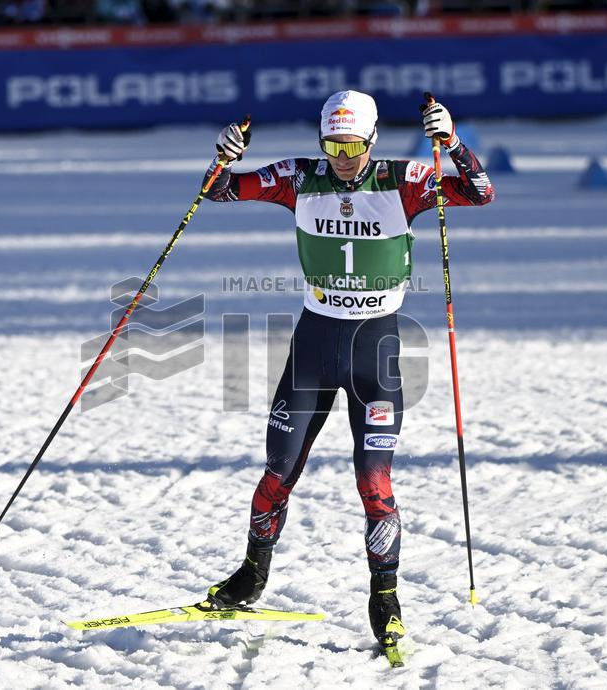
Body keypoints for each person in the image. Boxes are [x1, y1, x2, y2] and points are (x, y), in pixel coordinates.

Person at [201, 90, 494, 650]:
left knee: (373, 482)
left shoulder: (404, 179)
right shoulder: (297, 177)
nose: (342, 156)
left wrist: (451, 143)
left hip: (374, 349)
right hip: (314, 342)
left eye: (352, 145)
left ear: (372, 139)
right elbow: (216, 191)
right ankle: (251, 576)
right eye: (332, 144)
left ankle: (385, 599)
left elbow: (479, 193)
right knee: (279, 468)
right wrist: (224, 155)